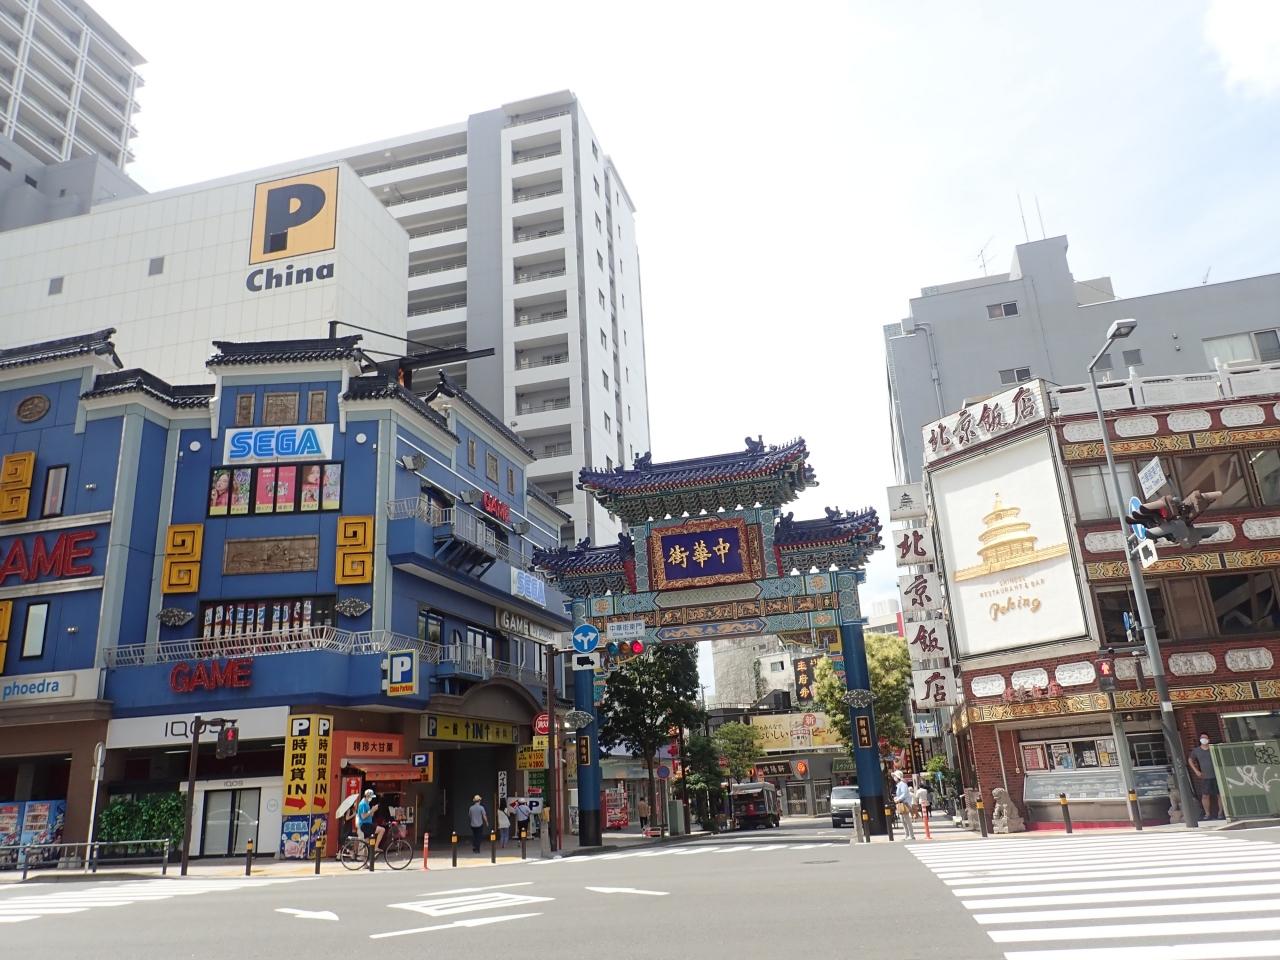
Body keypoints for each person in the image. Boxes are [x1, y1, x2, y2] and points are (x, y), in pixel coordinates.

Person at [1188, 732, 1219, 820]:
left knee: (1220, 795)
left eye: (1205, 737)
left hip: (1217, 775)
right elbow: (1190, 760)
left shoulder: (1213, 749)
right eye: (1202, 737)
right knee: (1205, 795)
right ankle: (1207, 814)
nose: (1204, 739)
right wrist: (1196, 771)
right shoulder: (1196, 751)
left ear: (1209, 739)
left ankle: (1220, 813)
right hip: (1205, 776)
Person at [356, 789, 385, 863]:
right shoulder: (363, 804)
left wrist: (373, 810)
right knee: (382, 830)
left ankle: (365, 863)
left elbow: (370, 815)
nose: (371, 798)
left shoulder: (367, 803)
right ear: (367, 796)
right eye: (371, 797)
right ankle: (376, 847)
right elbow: (363, 816)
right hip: (365, 825)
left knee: (366, 844)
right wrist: (372, 810)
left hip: (367, 824)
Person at [893, 774, 915, 839]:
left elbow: (904, 794)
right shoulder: (899, 784)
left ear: (898, 777)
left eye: (895, 776)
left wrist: (898, 799)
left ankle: (911, 835)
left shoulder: (902, 784)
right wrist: (897, 798)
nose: (894, 777)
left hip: (904, 803)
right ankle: (907, 835)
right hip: (901, 804)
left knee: (907, 820)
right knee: (903, 820)